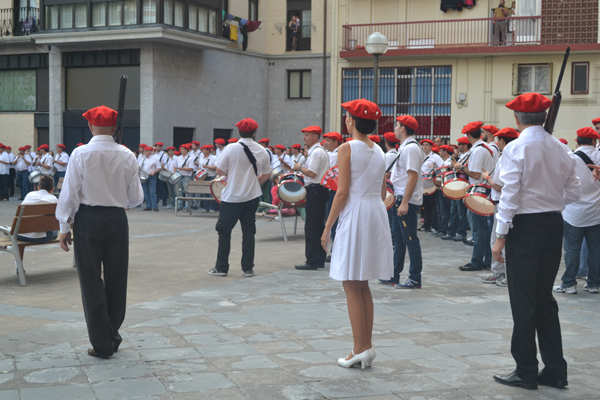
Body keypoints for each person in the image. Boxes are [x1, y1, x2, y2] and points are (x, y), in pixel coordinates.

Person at [492, 92, 580, 390]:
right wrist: (551, 201)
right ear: (543, 117)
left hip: (525, 227)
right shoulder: (561, 148)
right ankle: (555, 370)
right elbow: (574, 192)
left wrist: (500, 235)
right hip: (553, 224)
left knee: (523, 300)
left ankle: (526, 370)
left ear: (517, 118)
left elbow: (509, 194)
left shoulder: (516, 148)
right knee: (544, 298)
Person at [56, 105, 144, 359]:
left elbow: (69, 194)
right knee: (117, 279)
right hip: (117, 219)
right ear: (114, 127)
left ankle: (102, 341)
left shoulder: (80, 154)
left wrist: (64, 226)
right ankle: (111, 335)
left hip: (88, 219)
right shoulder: (127, 155)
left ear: (90, 126)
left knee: (90, 280)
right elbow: (136, 197)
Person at [322, 98, 392, 369]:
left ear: (351, 121)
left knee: (351, 283)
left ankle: (359, 348)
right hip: (375, 212)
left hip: (356, 214)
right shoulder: (380, 151)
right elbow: (383, 192)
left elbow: (342, 193)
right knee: (363, 284)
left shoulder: (346, 148)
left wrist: (328, 226)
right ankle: (366, 347)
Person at [208, 118, 270, 278]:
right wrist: (253, 182)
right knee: (248, 233)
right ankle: (248, 268)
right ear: (254, 133)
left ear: (239, 132)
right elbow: (267, 174)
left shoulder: (231, 148)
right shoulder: (262, 150)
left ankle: (221, 267)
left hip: (231, 198)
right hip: (252, 196)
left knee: (224, 232)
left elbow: (220, 171)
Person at [553, 127, 600, 294]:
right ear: (594, 141)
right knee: (596, 250)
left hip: (574, 212)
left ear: (577, 140)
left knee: (572, 250)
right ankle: (594, 283)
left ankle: (569, 284)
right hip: (596, 212)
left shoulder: (570, 158)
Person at [381, 115, 424, 288]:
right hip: (399, 197)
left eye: (397, 125)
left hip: (405, 200)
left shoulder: (411, 148)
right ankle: (394, 274)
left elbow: (413, 177)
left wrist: (405, 202)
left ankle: (415, 278)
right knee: (399, 239)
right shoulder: (405, 147)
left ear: (403, 128)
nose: (395, 128)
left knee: (410, 239)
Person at [480, 127, 519, 287]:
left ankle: (505, 274)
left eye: (499, 139)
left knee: (499, 241)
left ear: (502, 140)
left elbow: (499, 186)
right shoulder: (512, 155)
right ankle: (498, 273)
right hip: (505, 203)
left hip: (503, 204)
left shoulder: (507, 158)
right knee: (498, 241)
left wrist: (487, 178)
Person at [454, 121, 495, 272]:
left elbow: (476, 175)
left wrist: (461, 167)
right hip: (484, 192)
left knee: (478, 229)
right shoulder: (482, 148)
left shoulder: (478, 150)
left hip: (479, 193)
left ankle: (477, 261)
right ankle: (487, 259)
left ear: (468, 135)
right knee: (484, 229)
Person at [293, 126, 330, 270]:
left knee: (311, 226)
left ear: (315, 136)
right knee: (318, 226)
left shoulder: (316, 152)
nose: (304, 138)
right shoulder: (320, 151)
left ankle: (311, 260)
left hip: (315, 190)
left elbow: (312, 173)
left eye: (307, 135)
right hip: (319, 190)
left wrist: (298, 167)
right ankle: (319, 258)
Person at [443, 136, 472, 241]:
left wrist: (456, 165)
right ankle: (451, 232)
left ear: (465, 146)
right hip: (457, 185)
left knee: (461, 211)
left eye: (459, 144)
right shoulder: (462, 156)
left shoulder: (469, 155)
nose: (458, 146)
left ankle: (461, 232)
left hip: (463, 185)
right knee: (453, 211)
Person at [18, 174, 58, 243]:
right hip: (41, 237)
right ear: (52, 189)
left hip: (21, 235)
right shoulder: (53, 199)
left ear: (38, 187)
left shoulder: (29, 195)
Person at [419, 139, 440, 232]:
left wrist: (434, 170)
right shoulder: (420, 156)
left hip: (431, 184)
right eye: (423, 145)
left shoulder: (435, 157)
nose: (424, 147)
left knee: (433, 206)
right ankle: (426, 225)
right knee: (425, 206)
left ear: (431, 146)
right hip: (422, 184)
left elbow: (443, 167)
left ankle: (433, 225)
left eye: (427, 145)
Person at [140, 146, 161, 211]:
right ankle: (148, 206)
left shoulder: (155, 159)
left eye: (145, 151)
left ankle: (154, 206)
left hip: (152, 176)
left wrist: (153, 172)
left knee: (153, 192)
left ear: (149, 152)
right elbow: (140, 166)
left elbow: (159, 168)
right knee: (146, 192)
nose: (144, 153)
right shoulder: (143, 159)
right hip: (144, 176)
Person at [199, 145, 218, 213]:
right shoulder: (201, 157)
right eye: (202, 150)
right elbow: (199, 167)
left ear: (208, 150)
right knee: (204, 193)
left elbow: (216, 167)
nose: (203, 151)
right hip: (203, 177)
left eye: (204, 149)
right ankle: (206, 208)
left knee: (211, 193)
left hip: (211, 176)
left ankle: (213, 208)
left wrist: (207, 167)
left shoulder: (213, 157)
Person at [175, 144, 195, 210]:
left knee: (187, 191)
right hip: (179, 175)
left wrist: (182, 169)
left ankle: (187, 206)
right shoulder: (178, 158)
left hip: (187, 176)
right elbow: (176, 166)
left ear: (186, 150)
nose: (181, 150)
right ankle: (179, 205)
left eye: (183, 149)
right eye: (181, 149)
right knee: (179, 191)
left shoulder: (190, 159)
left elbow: (191, 168)